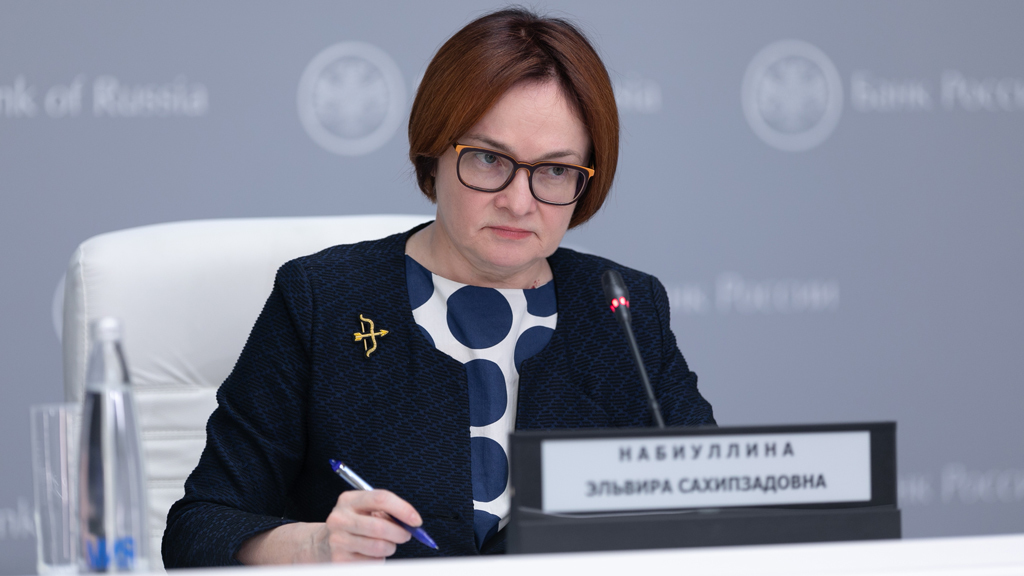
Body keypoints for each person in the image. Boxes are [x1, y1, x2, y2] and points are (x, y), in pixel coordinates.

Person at [162, 8, 714, 567]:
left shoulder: (623, 308)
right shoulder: (322, 298)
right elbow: (197, 528)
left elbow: (716, 506)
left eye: (554, 170)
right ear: (434, 154)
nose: (518, 202)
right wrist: (318, 545)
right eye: (489, 159)